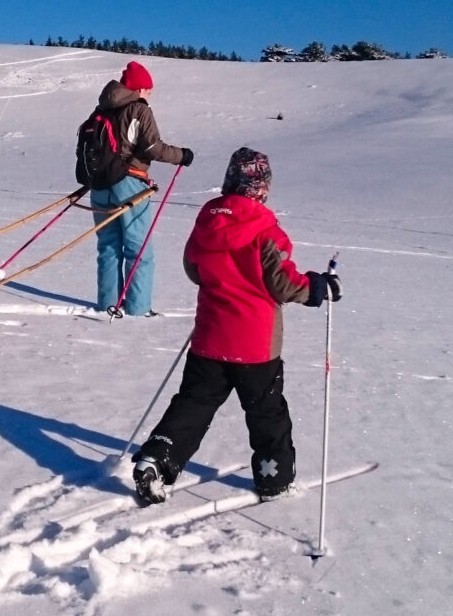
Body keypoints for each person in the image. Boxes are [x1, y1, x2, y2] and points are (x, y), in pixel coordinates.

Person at [132, 147, 341, 502]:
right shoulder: (265, 230)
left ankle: (157, 456)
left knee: (194, 403)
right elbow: (283, 284)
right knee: (266, 412)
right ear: (262, 188)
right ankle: (274, 479)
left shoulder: (207, 220)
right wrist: (318, 287)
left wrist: (221, 280)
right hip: (255, 346)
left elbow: (193, 268)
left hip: (210, 338)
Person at [90, 60, 193, 317]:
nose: (149, 93)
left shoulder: (101, 108)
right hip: (130, 184)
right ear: (138, 88)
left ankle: (107, 304)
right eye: (147, 88)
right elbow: (151, 148)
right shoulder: (138, 109)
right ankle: (137, 308)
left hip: (100, 185)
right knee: (138, 248)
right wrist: (182, 155)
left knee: (109, 246)